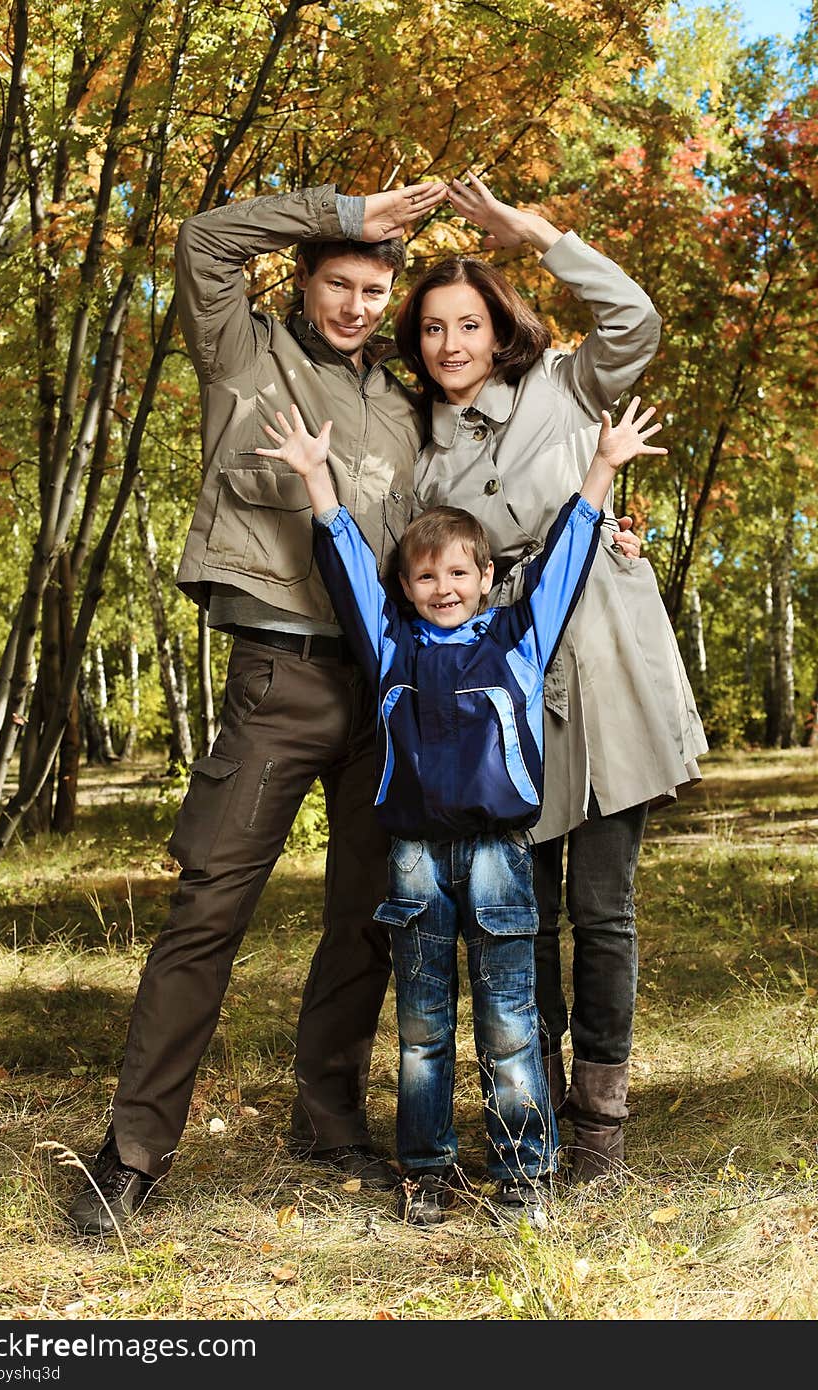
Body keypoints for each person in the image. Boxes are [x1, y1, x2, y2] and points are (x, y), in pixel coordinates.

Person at [68, 177, 449, 1236]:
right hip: (277, 677)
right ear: (308, 280)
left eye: (376, 289)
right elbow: (201, 237)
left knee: (369, 917)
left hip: (387, 691)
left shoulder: (408, 401)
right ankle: (133, 1153)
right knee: (208, 913)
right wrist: (344, 209)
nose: (359, 303)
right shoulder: (246, 352)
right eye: (342, 282)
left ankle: (329, 1123)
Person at [253, 395, 667, 1227]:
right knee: (424, 1029)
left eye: (458, 573)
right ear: (405, 589)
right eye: (424, 575)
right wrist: (315, 480)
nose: (443, 587)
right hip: (414, 860)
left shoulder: (518, 638)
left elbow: (566, 558)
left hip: (500, 857)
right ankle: (428, 1174)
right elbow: (343, 566)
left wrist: (604, 465)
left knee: (511, 1022)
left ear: (485, 579)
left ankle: (523, 1173)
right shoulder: (392, 647)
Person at [395, 170, 708, 1182]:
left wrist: (529, 232)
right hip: (504, 698)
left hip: (605, 661)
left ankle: (602, 1125)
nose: (451, 344)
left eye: (468, 323)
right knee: (518, 911)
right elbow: (425, 586)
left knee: (605, 906)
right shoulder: (420, 460)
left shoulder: (566, 385)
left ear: (500, 328)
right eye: (434, 327)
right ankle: (533, 1114)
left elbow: (637, 317)